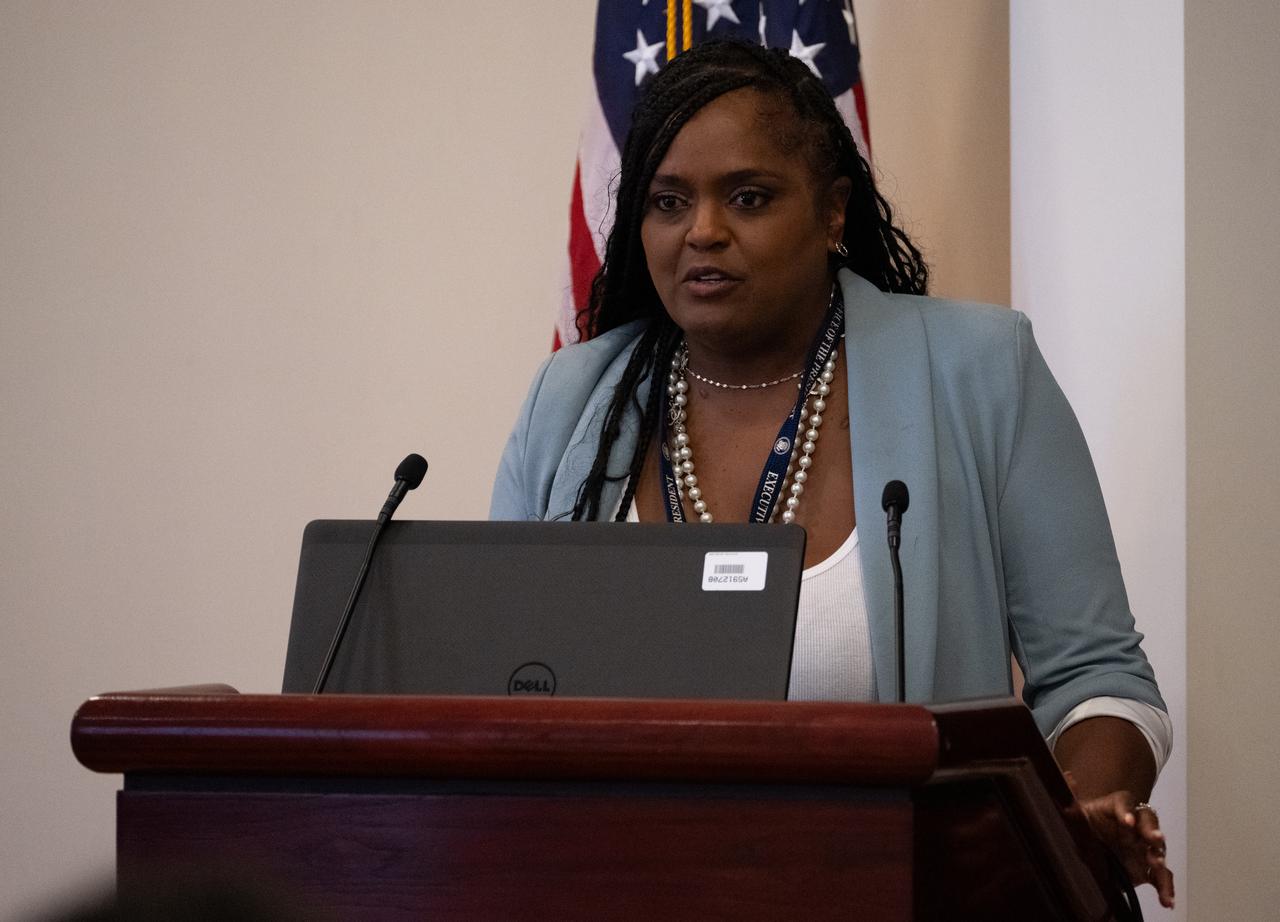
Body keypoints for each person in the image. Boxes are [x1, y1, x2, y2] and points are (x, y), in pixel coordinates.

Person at [490, 40, 1173, 908]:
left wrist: (1078, 812)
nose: (703, 230)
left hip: (914, 894)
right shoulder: (568, 404)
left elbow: (1098, 677)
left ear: (832, 212)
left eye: (749, 196)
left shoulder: (979, 373)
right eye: (669, 201)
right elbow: (496, 689)